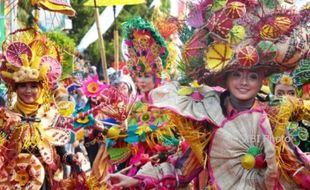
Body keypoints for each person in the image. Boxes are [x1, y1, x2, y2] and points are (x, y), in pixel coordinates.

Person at [103, 1, 310, 189]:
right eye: (237, 74)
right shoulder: (209, 114)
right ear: (224, 79)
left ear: (262, 80)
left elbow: (295, 163)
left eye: (252, 76)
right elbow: (181, 169)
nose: (244, 82)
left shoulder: (273, 115)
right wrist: (138, 180)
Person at [0, 28, 85, 189]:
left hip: (45, 180)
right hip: (13, 181)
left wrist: (72, 158)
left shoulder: (50, 114)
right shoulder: (6, 116)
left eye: (33, 86)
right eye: (23, 86)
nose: (28, 91)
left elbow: (61, 152)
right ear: (15, 89)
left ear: (41, 89)